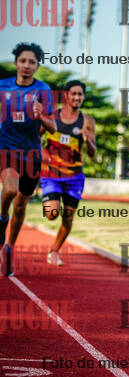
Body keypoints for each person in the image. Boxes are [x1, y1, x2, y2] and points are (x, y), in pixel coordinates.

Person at [0, 42, 55, 276]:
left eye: (32, 62)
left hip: (31, 153)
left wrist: (40, 115)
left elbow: (53, 127)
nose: (27, 65)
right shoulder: (3, 86)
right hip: (6, 148)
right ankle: (2, 219)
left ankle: (9, 247)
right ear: (16, 63)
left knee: (22, 204)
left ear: (37, 66)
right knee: (10, 191)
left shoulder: (43, 90)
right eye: (23, 61)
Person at [41, 80, 96, 266]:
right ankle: (49, 199)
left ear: (83, 97)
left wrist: (88, 141)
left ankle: (54, 251)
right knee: (52, 213)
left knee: (68, 217)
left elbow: (92, 153)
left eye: (80, 94)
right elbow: (36, 136)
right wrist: (41, 153)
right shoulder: (52, 116)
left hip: (74, 177)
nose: (77, 97)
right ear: (66, 95)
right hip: (52, 174)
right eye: (74, 93)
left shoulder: (87, 121)